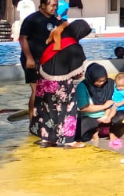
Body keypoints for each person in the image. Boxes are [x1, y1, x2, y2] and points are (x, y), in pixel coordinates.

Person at [29, 19, 92, 148]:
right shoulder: (74, 46)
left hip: (44, 81)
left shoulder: (54, 39)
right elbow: (78, 71)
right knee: (67, 109)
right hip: (62, 85)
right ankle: (68, 140)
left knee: (47, 109)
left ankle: (47, 138)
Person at [19, 0, 66, 120]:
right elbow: (22, 39)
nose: (55, 8)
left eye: (56, 5)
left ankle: (45, 117)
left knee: (48, 90)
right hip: (33, 60)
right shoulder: (32, 19)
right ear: (43, 5)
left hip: (47, 60)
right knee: (36, 90)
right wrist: (29, 57)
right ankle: (32, 120)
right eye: (52, 5)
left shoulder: (54, 19)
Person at [76, 63, 124, 148]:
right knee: (81, 132)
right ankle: (94, 131)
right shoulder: (82, 87)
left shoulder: (110, 83)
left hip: (109, 114)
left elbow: (119, 97)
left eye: (104, 80)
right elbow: (84, 107)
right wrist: (104, 106)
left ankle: (111, 132)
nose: (102, 83)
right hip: (91, 117)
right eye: (98, 81)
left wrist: (108, 113)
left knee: (122, 117)